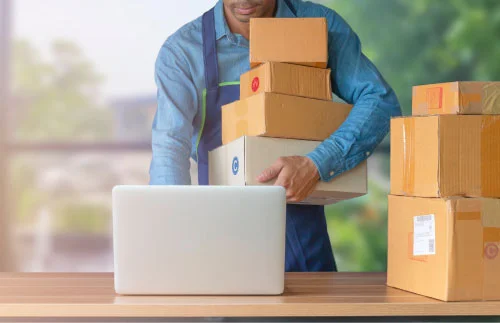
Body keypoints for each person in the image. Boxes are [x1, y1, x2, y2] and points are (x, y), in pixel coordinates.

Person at [149, 0, 402, 272]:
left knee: (311, 314)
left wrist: (317, 163)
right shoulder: (182, 52)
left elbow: (379, 100)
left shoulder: (319, 27)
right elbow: (170, 147)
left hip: (301, 236)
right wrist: (172, 236)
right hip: (219, 235)